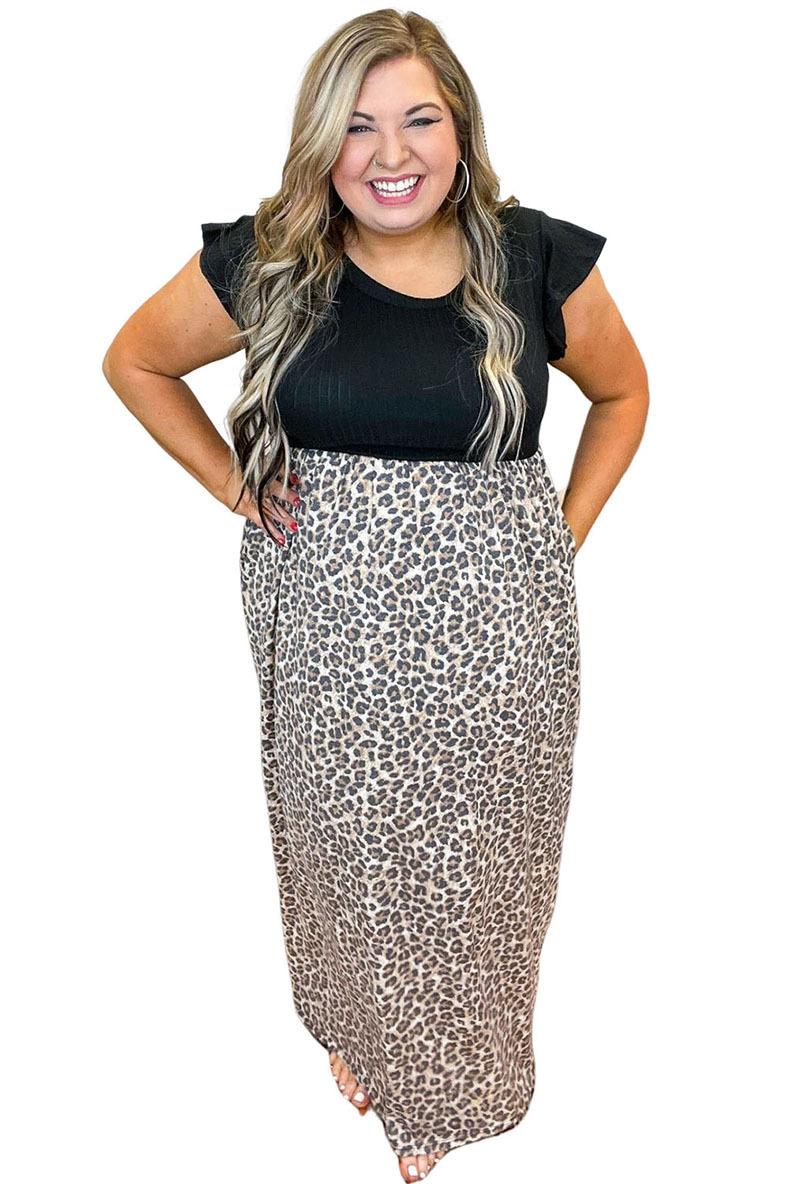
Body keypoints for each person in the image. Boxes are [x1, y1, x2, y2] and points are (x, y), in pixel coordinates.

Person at [102, 10, 648, 1181]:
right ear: (321, 141)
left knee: (482, 869)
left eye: (417, 120)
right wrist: (232, 486)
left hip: (500, 642)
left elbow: (624, 395)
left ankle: (449, 1085)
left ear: (461, 131)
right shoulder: (270, 258)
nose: (389, 154)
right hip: (327, 634)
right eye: (355, 126)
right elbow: (135, 360)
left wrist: (557, 538)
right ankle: (364, 1029)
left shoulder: (532, 256)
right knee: (345, 853)